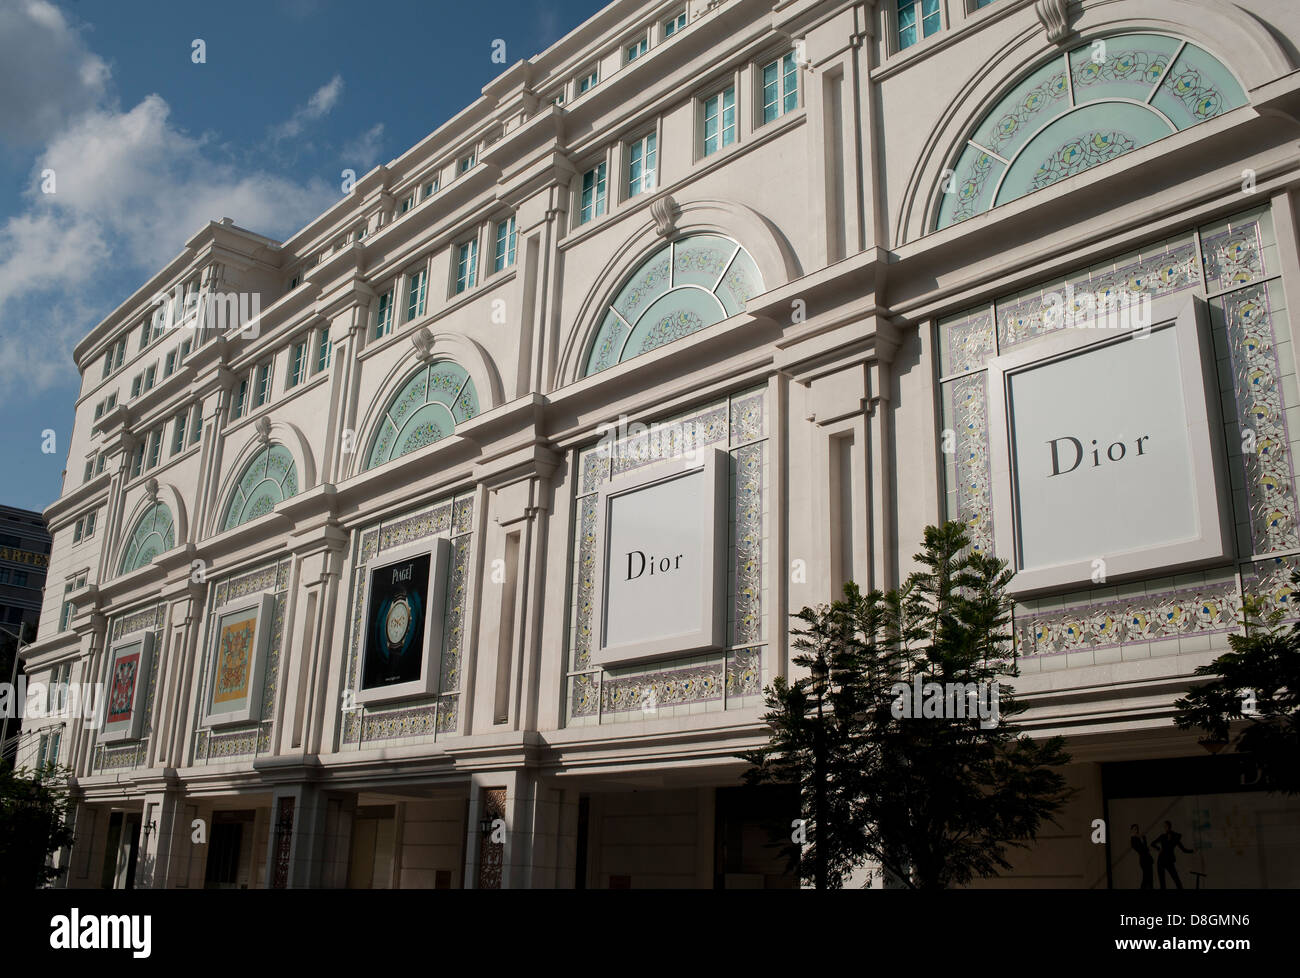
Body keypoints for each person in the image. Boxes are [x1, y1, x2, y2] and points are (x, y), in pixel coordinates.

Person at [1153, 821, 1193, 889]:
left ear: (1169, 826)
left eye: (1166, 826)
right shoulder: (1163, 836)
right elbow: (1152, 843)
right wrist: (1158, 848)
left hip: (1168, 861)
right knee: (1163, 883)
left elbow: (1183, 849)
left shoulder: (1174, 837)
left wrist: (1192, 851)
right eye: (1164, 826)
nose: (1165, 827)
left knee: (1176, 879)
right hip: (1161, 861)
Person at [1130, 824, 1153, 889]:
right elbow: (1142, 849)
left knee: (1149, 878)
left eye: (1137, 829)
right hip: (1144, 860)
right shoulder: (1133, 840)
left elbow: (1145, 847)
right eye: (1134, 829)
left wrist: (1143, 838)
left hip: (1147, 859)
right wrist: (1142, 838)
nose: (1136, 830)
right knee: (1146, 878)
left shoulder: (1139, 838)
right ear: (1131, 830)